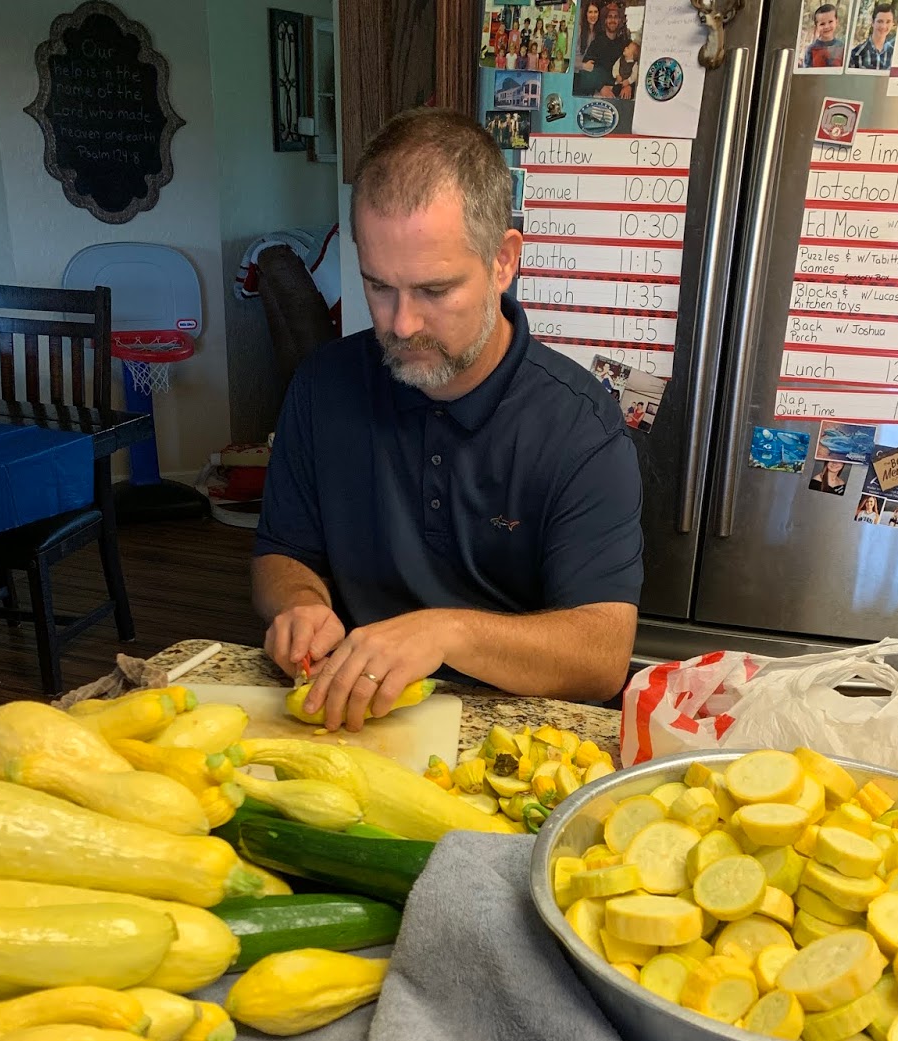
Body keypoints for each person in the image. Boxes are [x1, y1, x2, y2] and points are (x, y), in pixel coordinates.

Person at [252, 109, 644, 732]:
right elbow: (282, 552)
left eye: (434, 291)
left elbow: (601, 658)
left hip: (517, 736)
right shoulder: (321, 386)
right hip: (356, 718)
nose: (401, 324)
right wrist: (300, 603)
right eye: (379, 287)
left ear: (503, 261)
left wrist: (445, 633)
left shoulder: (581, 426)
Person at [575, 1, 629, 94]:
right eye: (610, 17)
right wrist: (600, 87)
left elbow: (632, 68)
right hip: (595, 93)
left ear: (620, 20)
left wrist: (628, 86)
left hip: (618, 92)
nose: (613, 20)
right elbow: (587, 72)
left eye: (616, 17)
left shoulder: (624, 45)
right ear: (605, 20)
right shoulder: (596, 43)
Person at [848, 1, 896, 70]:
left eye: (888, 22)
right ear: (872, 22)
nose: (883, 26)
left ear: (893, 24)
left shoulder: (895, 55)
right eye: (880, 21)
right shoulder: (856, 54)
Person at [800, 3, 844, 69]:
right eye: (822, 24)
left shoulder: (842, 47)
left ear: (836, 22)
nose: (826, 26)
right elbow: (807, 71)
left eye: (830, 22)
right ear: (816, 27)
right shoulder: (811, 49)